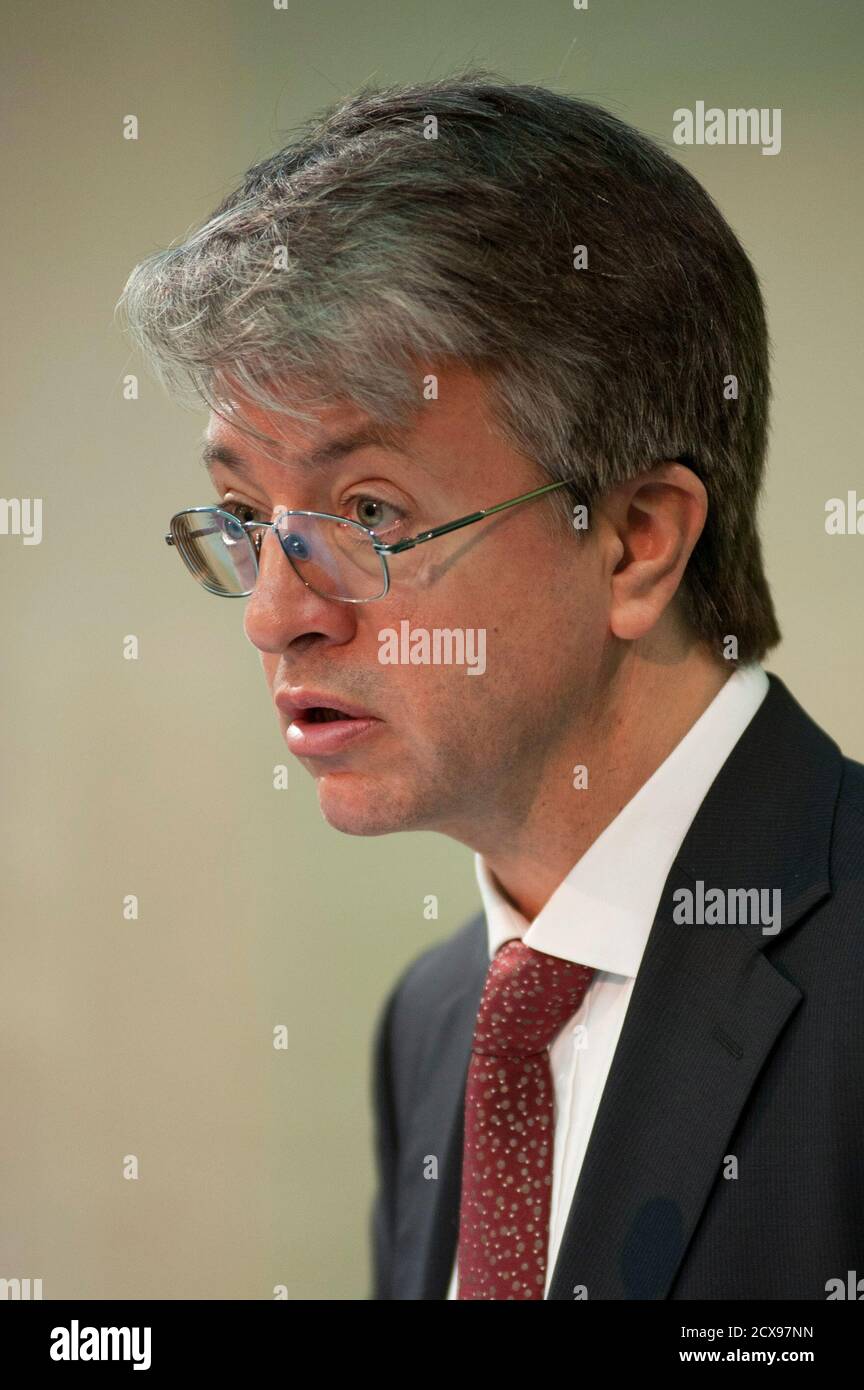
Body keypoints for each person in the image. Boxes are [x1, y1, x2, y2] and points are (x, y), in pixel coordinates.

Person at [118, 72, 864, 1300]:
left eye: (368, 511)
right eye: (248, 516)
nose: (273, 614)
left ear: (634, 541)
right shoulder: (435, 1018)